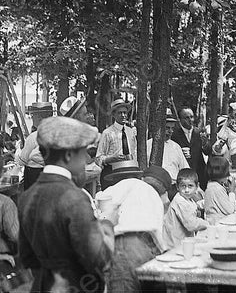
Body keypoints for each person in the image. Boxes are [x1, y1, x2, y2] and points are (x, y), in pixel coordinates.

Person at [18, 116, 118, 293]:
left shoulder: (26, 196)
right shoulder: (75, 198)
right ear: (68, 155)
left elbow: (27, 257)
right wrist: (108, 223)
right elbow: (100, 260)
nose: (87, 158)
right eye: (83, 152)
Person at [100, 161, 168, 292]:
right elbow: (157, 235)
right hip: (148, 248)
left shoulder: (118, 188)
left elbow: (101, 215)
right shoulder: (154, 197)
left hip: (122, 247)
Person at [147, 109, 190, 199]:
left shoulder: (176, 147)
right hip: (154, 188)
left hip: (174, 189)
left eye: (172, 128)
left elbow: (185, 169)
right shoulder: (148, 145)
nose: (170, 131)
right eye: (167, 128)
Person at [163, 169, 209, 250]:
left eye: (190, 186)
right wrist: (207, 224)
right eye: (183, 186)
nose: (186, 190)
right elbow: (191, 225)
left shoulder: (187, 199)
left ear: (197, 187)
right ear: (177, 187)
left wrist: (199, 206)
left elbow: (192, 208)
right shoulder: (180, 202)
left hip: (180, 241)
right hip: (174, 245)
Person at [96, 98, 137, 189]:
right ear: (113, 115)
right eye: (120, 113)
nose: (123, 115)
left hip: (128, 172)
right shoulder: (107, 133)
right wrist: (111, 159)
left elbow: (134, 153)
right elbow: (98, 158)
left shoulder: (130, 132)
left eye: (125, 113)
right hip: (111, 173)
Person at [171, 108, 211, 190]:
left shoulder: (199, 132)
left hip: (200, 174)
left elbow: (207, 152)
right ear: (180, 119)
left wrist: (205, 144)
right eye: (186, 118)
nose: (190, 120)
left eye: (192, 117)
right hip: (184, 174)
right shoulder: (174, 134)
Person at [17, 102, 53, 190]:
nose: (32, 118)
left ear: (39, 117)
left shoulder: (33, 137)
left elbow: (22, 161)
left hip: (34, 176)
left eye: (33, 116)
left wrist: (20, 150)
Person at [204, 157, 236, 225]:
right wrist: (232, 192)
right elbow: (230, 210)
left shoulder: (211, 185)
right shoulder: (217, 188)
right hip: (218, 224)